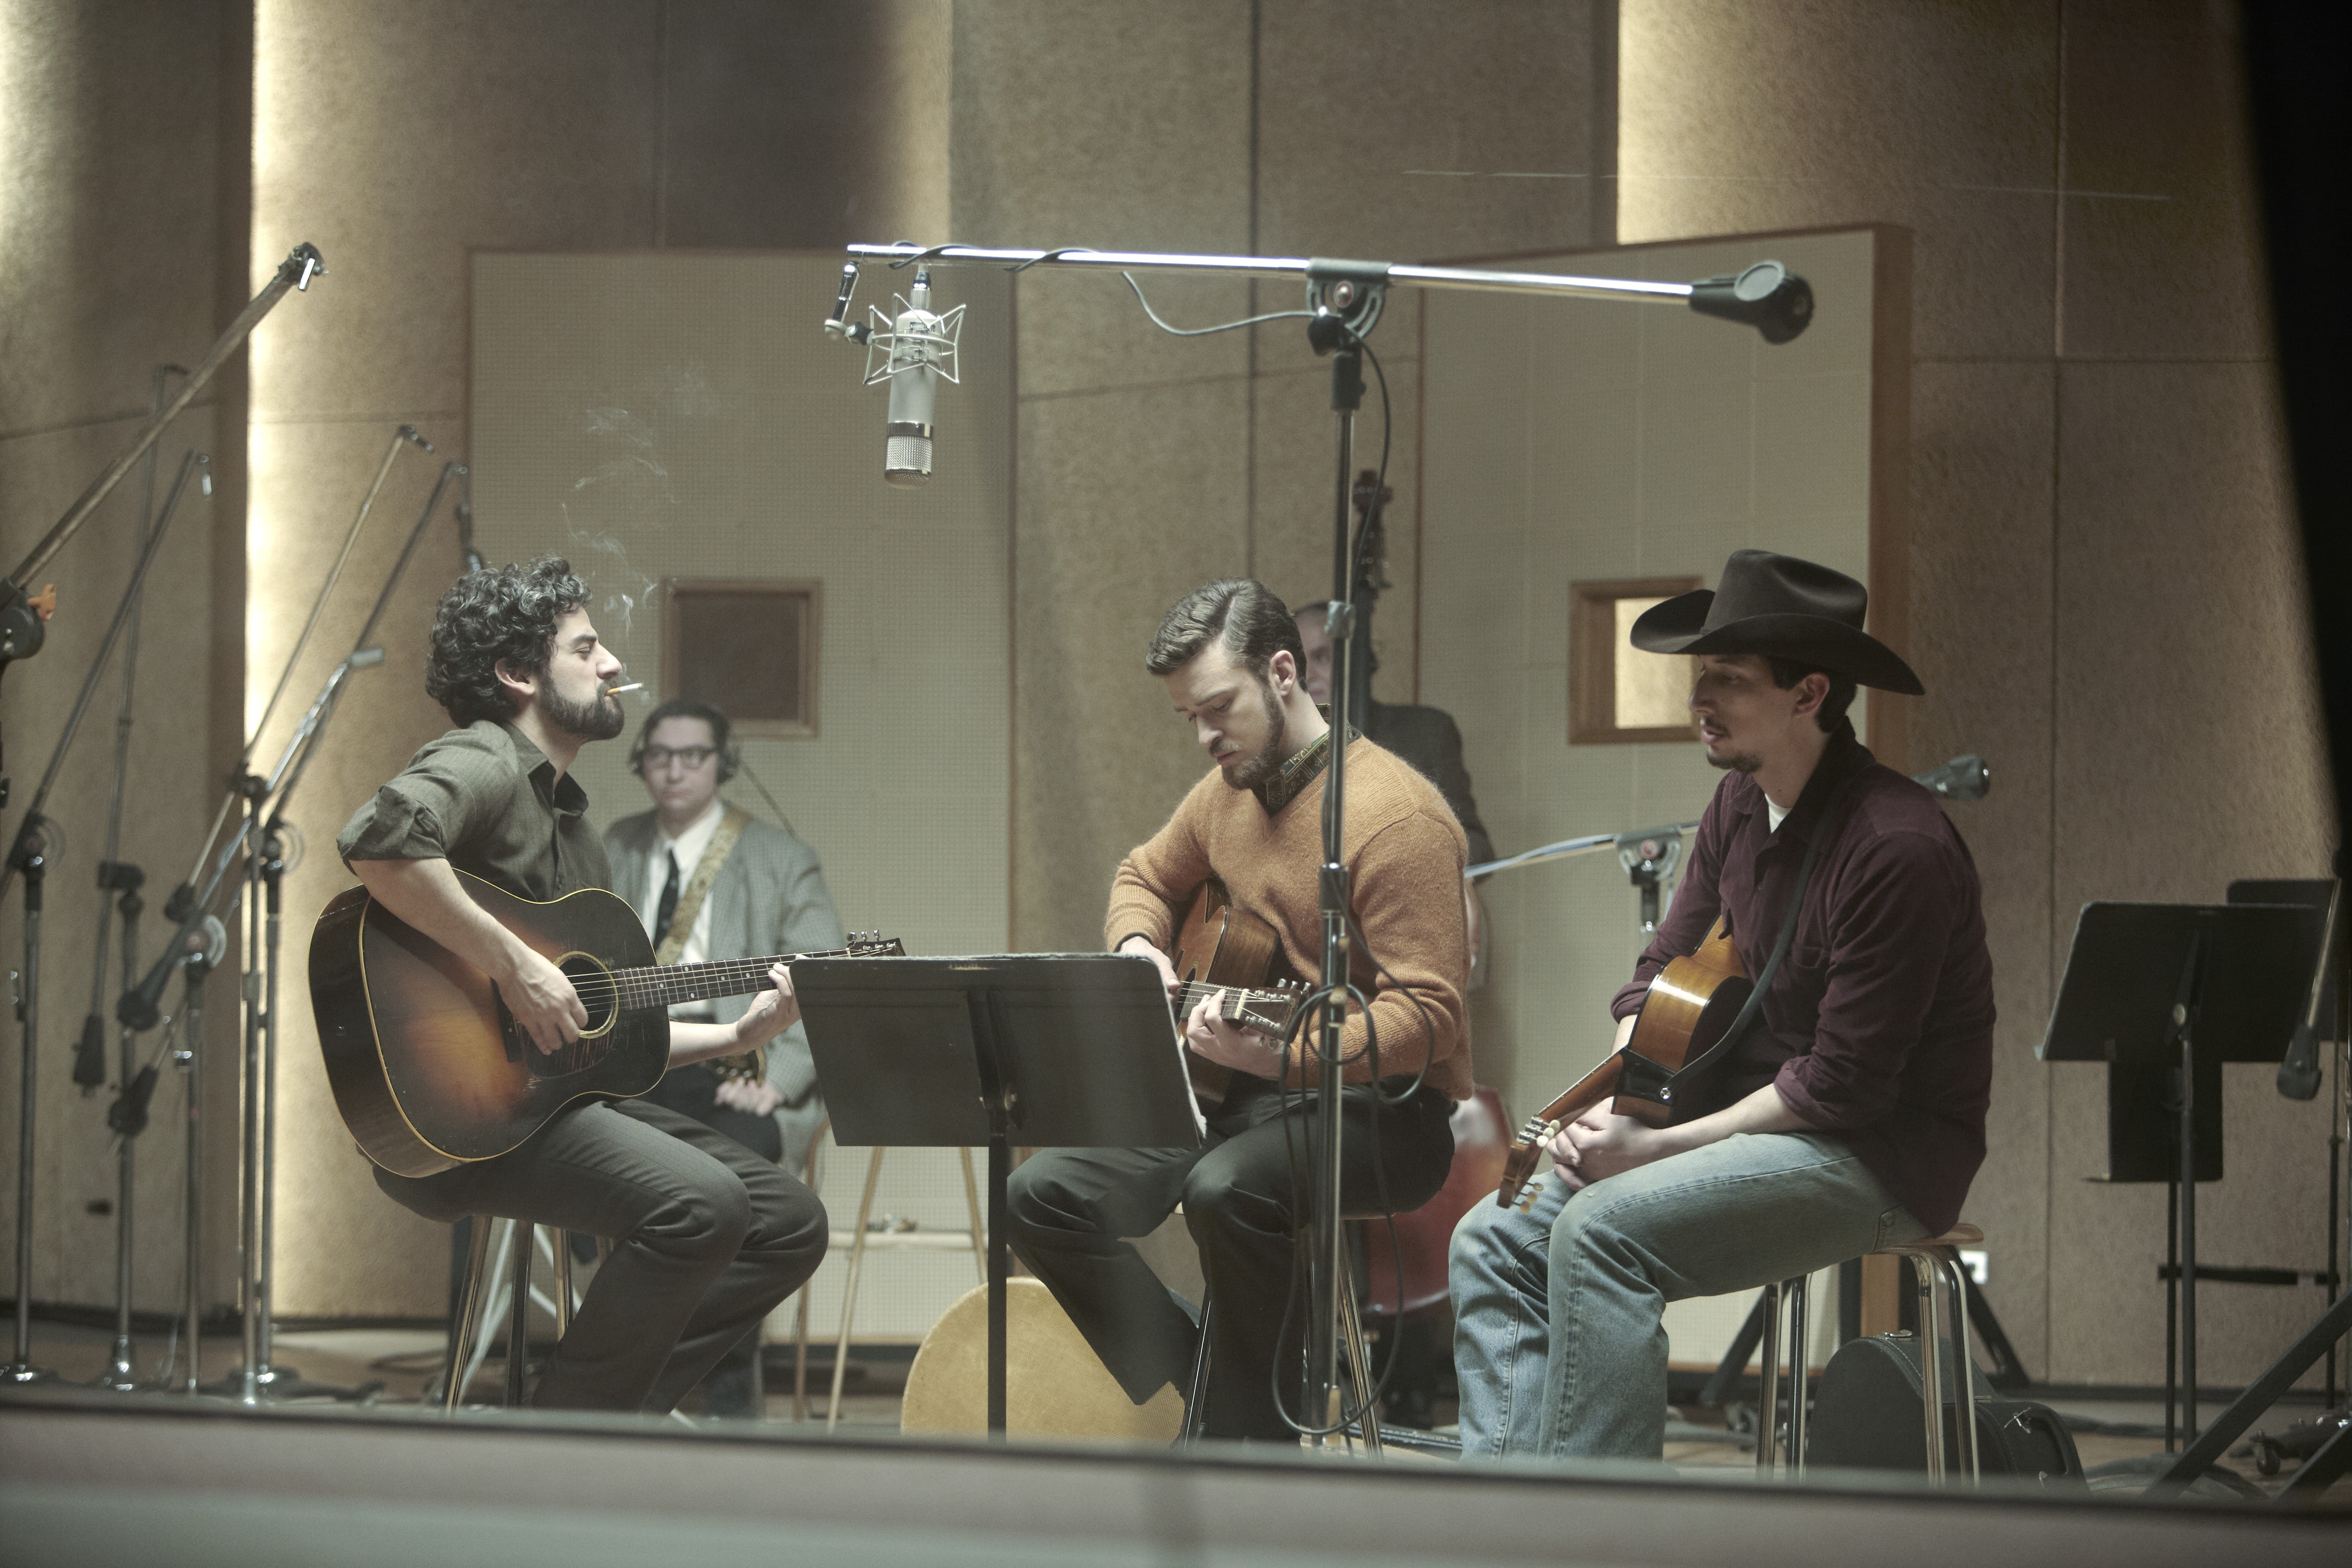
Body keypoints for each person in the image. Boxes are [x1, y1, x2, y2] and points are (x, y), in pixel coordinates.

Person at [1448, 548, 1995, 1461]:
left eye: (1730, 680)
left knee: (1601, 1234)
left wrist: (1657, 1149)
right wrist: (1622, 1100)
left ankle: (1605, 1525)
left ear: (1809, 694)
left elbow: (1842, 1086)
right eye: (1701, 674)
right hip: (1758, 1123)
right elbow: (1659, 971)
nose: (1699, 699)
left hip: (1879, 1154)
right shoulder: (1738, 804)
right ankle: (1513, 1512)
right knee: (1492, 1236)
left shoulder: (1898, 847)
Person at [337, 557, 828, 1415]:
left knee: (789, 1222)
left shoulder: (576, 829)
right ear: (518, 674)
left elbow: (606, 1032)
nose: (612, 665)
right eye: (586, 648)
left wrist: (738, 1038)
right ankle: (568, 1433)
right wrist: (516, 964)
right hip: (463, 1123)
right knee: (705, 1202)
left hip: (548, 1105)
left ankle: (593, 1409)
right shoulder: (488, 757)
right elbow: (380, 842)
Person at [1002, 578, 1471, 1442]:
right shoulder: (1226, 794)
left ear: (1283, 674)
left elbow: (1430, 1019)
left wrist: (1282, 1058)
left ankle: (1244, 1441)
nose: (1207, 736)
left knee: (1225, 1191)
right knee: (1039, 1195)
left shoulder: (1398, 817)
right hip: (1228, 1090)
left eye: (1219, 708)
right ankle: (1216, 1380)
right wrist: (1137, 944)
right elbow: (1143, 876)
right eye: (1190, 717)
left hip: (1380, 1112)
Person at [603, 698, 847, 1416]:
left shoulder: (782, 859)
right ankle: (614, 1376)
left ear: (723, 764)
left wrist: (779, 1078)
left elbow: (825, 979)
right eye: (659, 755)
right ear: (641, 764)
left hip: (733, 1068)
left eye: (693, 756)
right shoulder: (614, 846)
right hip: (628, 1061)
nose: (674, 771)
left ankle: (730, 1389)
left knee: (744, 1183)